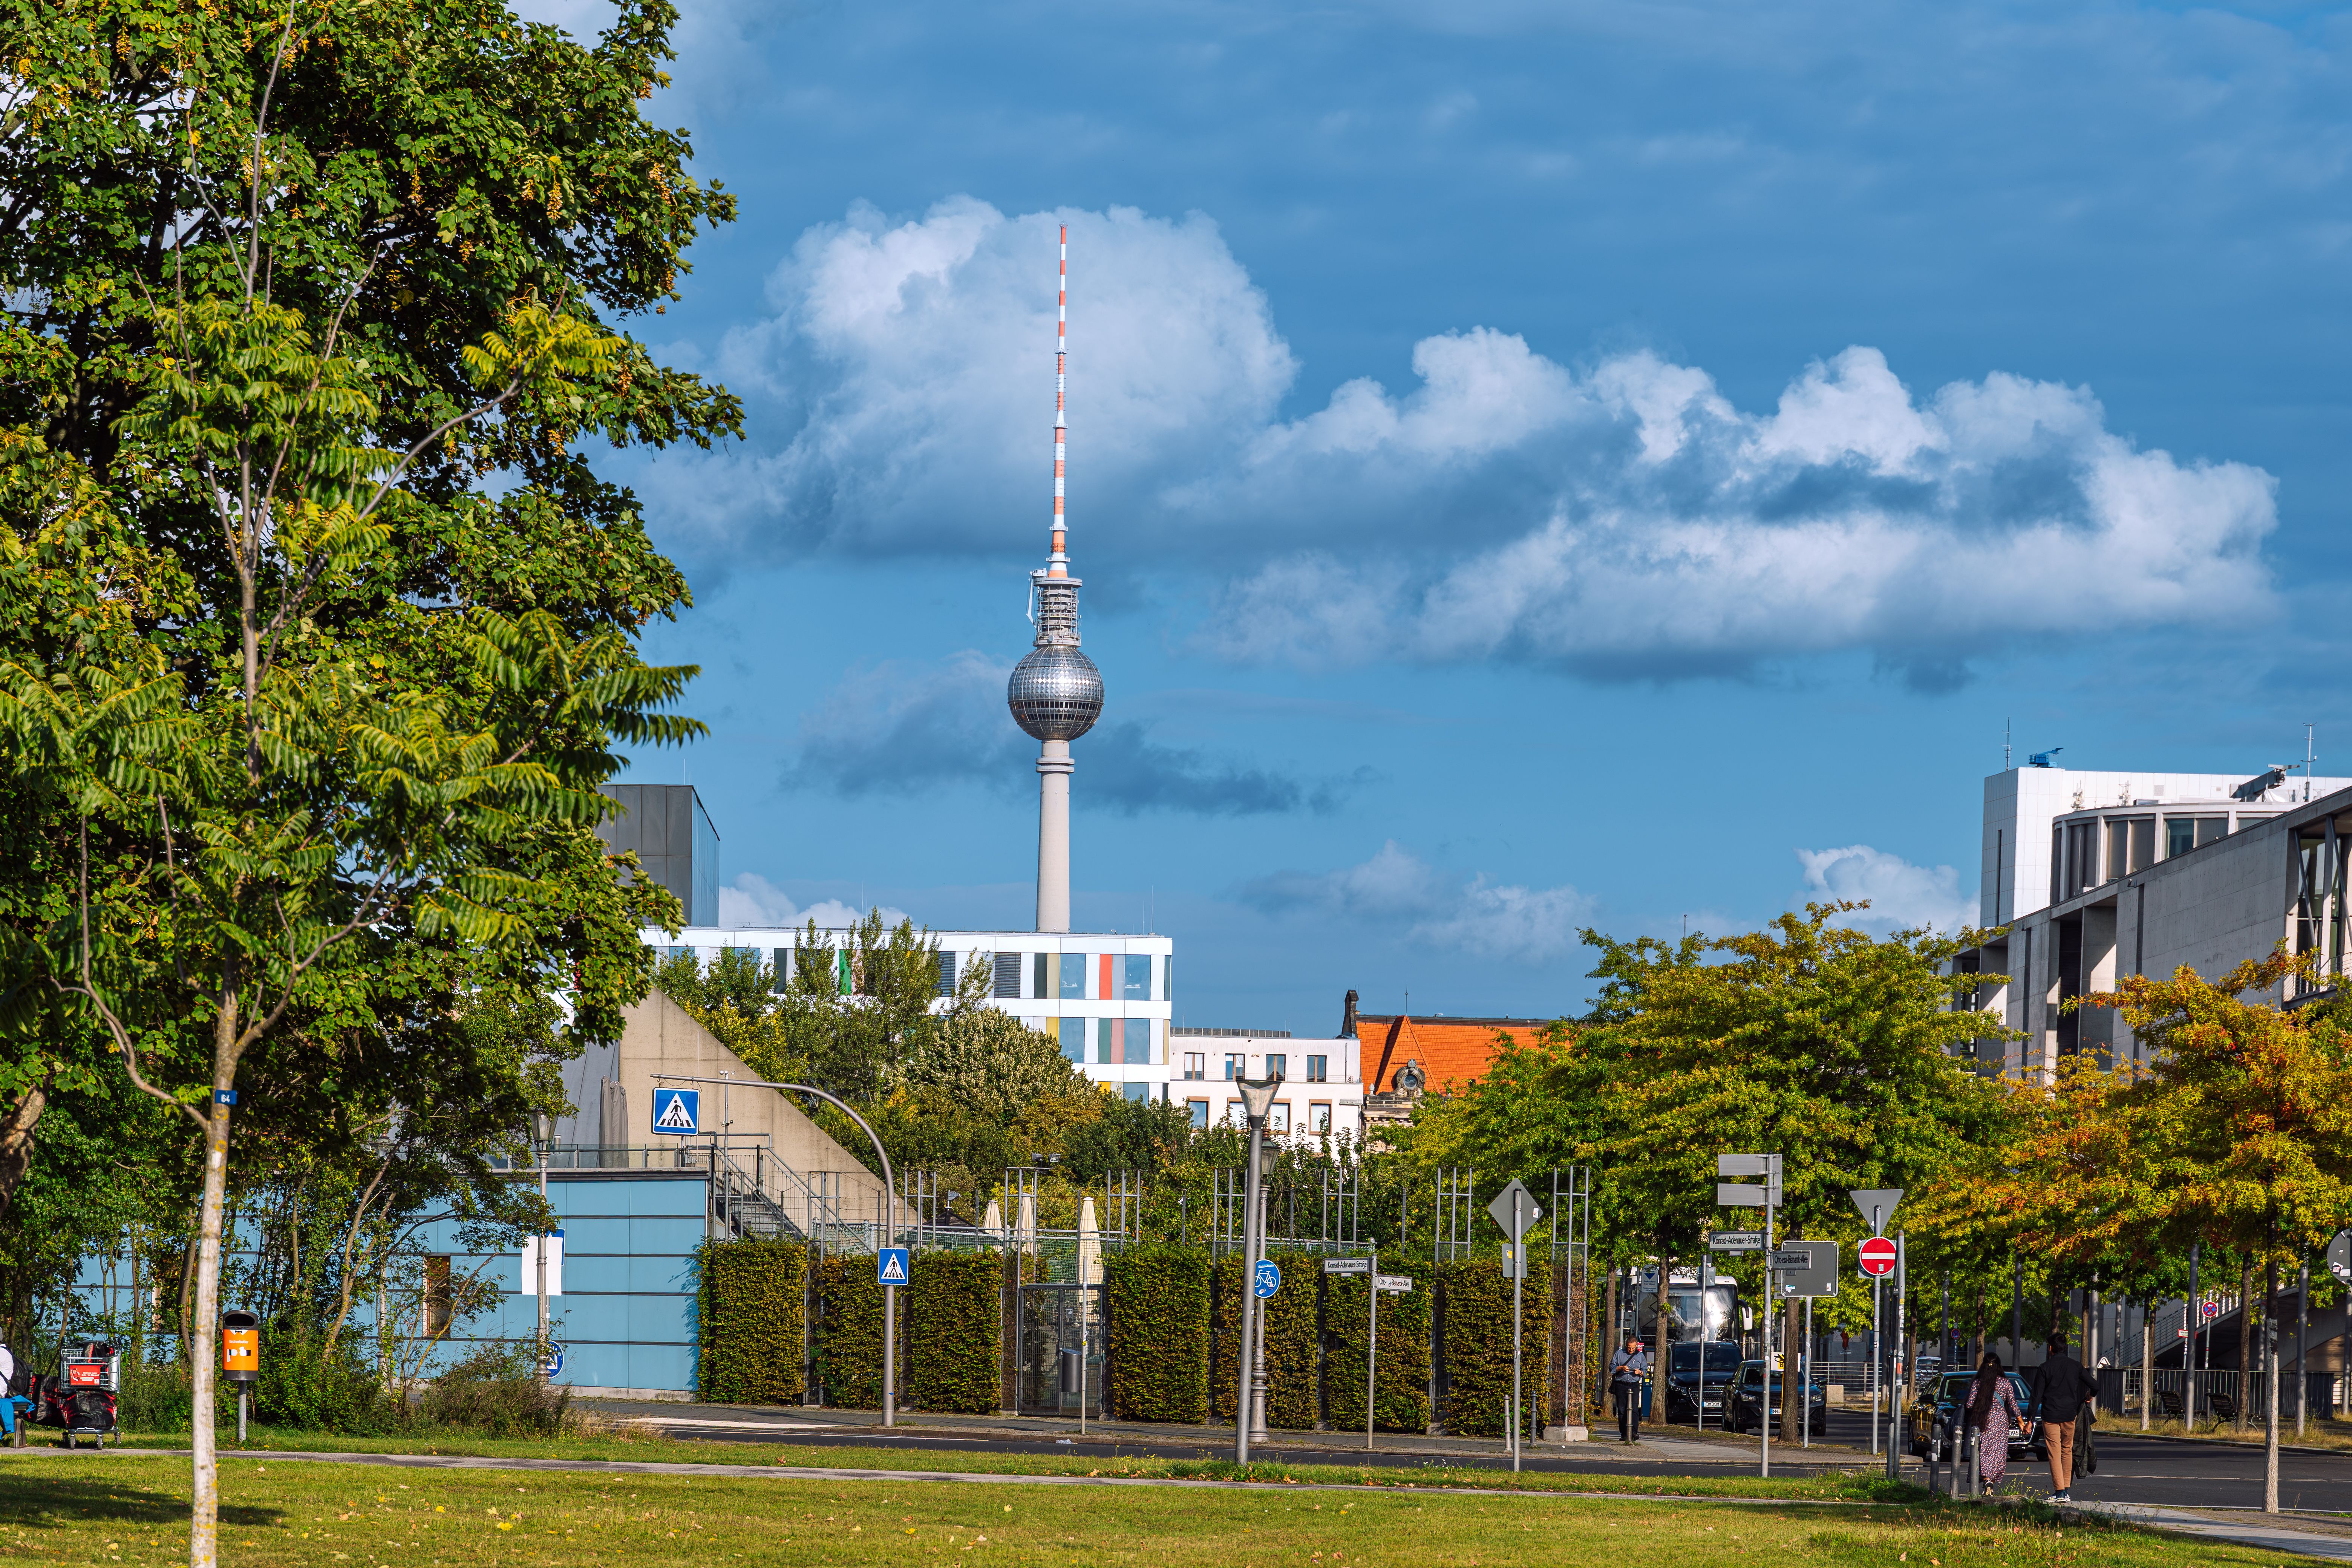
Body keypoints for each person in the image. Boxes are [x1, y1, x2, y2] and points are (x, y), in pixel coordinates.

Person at [2029, 1330, 2097, 1502]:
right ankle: (2066, 1490)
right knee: (2067, 1450)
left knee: (2054, 1452)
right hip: (2070, 1414)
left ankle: (2060, 1492)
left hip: (2051, 1415)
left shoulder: (2045, 1368)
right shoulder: (2075, 1366)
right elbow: (2095, 1385)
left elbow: (2036, 1396)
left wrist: (2030, 1419)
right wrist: (2090, 1395)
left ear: (2051, 1348)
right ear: (2065, 1348)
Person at [1962, 1351, 2027, 1491]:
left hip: (1983, 1420)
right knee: (1998, 1452)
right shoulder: (2005, 1383)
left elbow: (1969, 1405)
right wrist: (2021, 1422)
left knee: (1983, 1451)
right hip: (2001, 1422)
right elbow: (2013, 1404)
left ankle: (1986, 1479)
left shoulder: (1978, 1383)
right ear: (1999, 1366)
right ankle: (1991, 1481)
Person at [1609, 1334, 1652, 1443]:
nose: (1631, 1350)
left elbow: (1646, 1372)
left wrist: (1640, 1372)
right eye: (1629, 1348)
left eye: (1633, 1348)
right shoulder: (1619, 1354)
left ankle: (1634, 1433)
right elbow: (1612, 1367)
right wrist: (1621, 1368)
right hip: (1621, 1385)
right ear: (1626, 1345)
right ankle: (1624, 1434)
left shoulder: (1640, 1356)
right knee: (1622, 1410)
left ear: (1636, 1346)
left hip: (1634, 1385)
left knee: (1634, 1410)